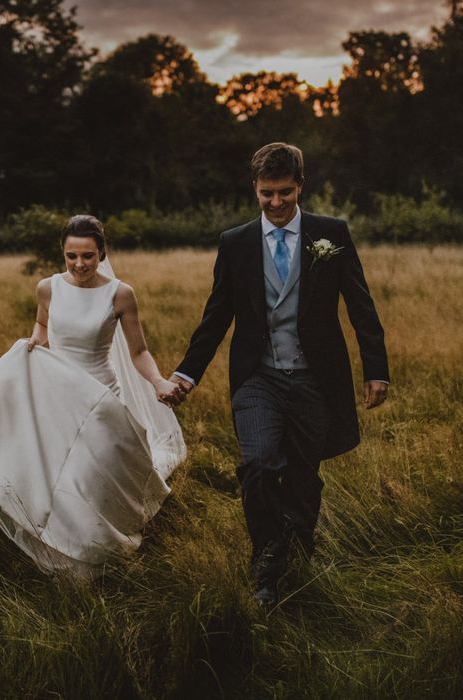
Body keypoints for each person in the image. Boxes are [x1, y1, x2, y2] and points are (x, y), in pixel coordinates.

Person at [168, 143, 389, 606]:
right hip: (257, 378)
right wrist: (187, 373)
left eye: (284, 193)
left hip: (314, 378)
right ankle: (266, 558)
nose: (275, 203)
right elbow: (217, 315)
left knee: (305, 476)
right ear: (255, 188)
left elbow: (360, 305)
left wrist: (376, 370)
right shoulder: (236, 243)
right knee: (261, 464)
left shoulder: (332, 233)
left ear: (300, 186)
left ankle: (298, 541)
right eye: (266, 194)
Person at [0, 215, 186, 577]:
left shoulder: (120, 294)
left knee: (90, 474)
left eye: (88, 256)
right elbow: (43, 323)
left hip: (100, 394)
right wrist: (35, 341)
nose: (79, 264)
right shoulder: (48, 287)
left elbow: (138, 352)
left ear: (102, 253)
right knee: (57, 476)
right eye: (72, 256)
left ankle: (99, 548)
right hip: (56, 392)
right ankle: (64, 550)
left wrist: (158, 382)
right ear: (63, 253)